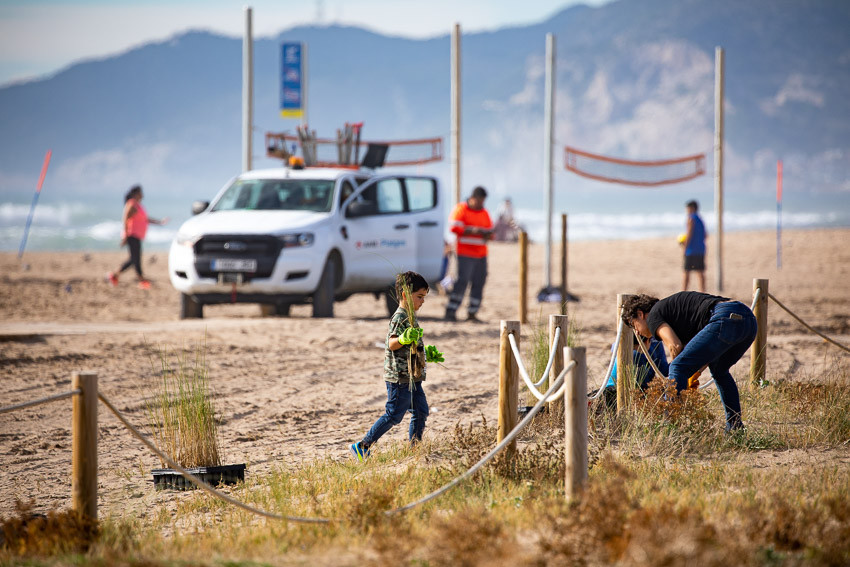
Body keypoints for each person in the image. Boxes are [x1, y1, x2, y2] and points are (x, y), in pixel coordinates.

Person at [621, 292, 757, 432]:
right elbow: (701, 356)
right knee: (719, 372)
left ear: (640, 314)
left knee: (677, 366)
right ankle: (735, 428)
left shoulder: (654, 315)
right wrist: (692, 373)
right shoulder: (677, 317)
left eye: (633, 325)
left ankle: (670, 427)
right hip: (749, 322)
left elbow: (675, 346)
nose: (636, 332)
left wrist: (678, 375)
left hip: (724, 318)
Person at [350, 271, 444, 461]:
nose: (422, 302)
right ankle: (363, 445)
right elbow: (392, 343)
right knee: (394, 415)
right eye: (419, 297)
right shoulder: (399, 317)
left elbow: (413, 344)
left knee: (421, 411)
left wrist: (426, 353)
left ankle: (414, 448)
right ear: (405, 295)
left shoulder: (411, 317)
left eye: (424, 297)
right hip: (399, 377)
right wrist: (403, 338)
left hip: (413, 376)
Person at [444, 186, 493, 322]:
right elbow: (454, 227)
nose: (480, 204)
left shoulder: (484, 212)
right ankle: (451, 311)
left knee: (479, 282)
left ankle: (472, 312)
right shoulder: (461, 209)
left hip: (481, 254)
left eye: (482, 201)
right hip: (465, 252)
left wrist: (486, 234)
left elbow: (490, 231)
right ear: (472, 198)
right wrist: (474, 230)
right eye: (479, 201)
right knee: (462, 282)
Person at [107, 185, 168, 290]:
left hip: (137, 236)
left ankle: (114, 275)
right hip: (132, 235)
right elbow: (125, 219)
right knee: (136, 259)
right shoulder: (131, 204)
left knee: (133, 259)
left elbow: (145, 219)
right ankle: (141, 280)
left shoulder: (138, 205)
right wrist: (126, 235)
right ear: (136, 193)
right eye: (141, 192)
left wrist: (160, 222)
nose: (142, 194)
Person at [682, 199, 707, 292]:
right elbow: (705, 235)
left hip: (691, 250)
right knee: (700, 272)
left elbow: (689, 234)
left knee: (686, 272)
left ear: (692, 208)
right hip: (701, 249)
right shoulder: (700, 219)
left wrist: (685, 246)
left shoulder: (690, 218)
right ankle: (703, 292)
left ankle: (683, 292)